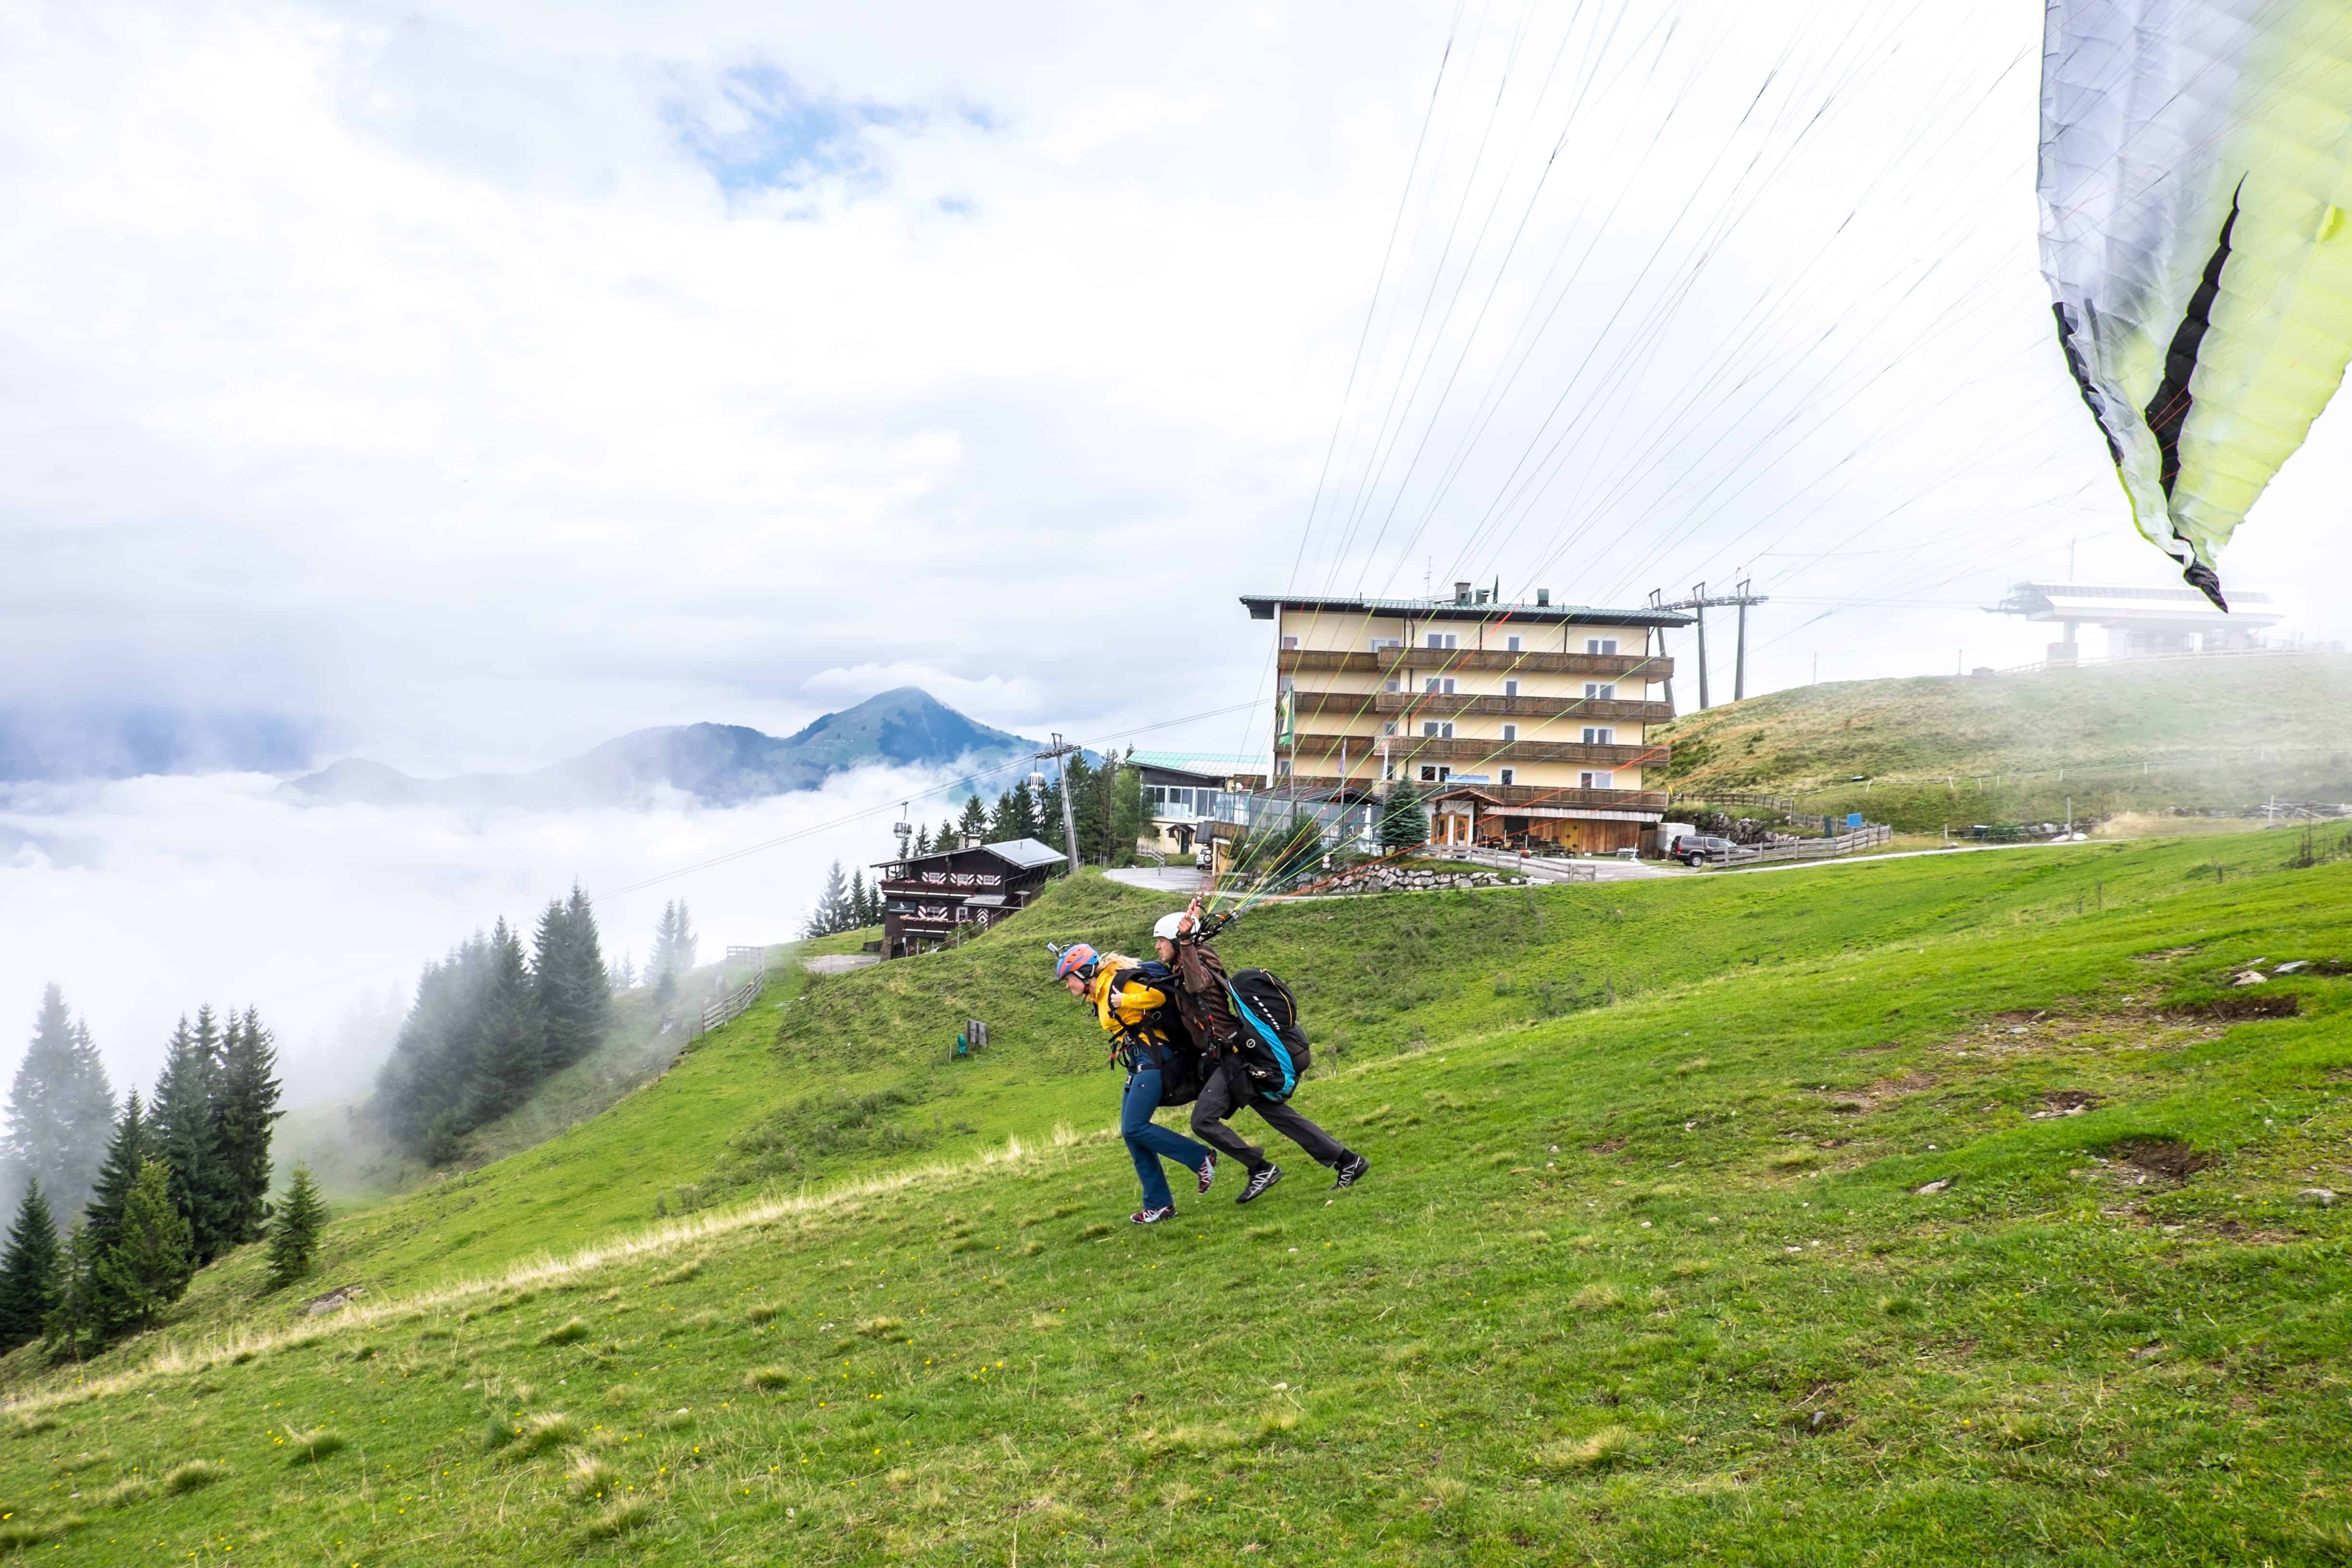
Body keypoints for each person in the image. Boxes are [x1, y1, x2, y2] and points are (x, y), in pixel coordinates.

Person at [1156, 902, 1369, 1203]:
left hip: (1234, 1055)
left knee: (1203, 1120)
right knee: (1278, 1114)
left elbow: (1197, 984)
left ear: (1176, 942)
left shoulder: (1199, 958)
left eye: (1162, 941)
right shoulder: (1184, 962)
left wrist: (1188, 940)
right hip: (1229, 1055)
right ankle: (1348, 1161)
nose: (1157, 947)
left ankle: (1260, 1168)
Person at [1055, 943, 1216, 1224]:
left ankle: (1199, 1158)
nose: (1067, 985)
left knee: (1135, 1127)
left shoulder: (1116, 982)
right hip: (1138, 1057)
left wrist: (1124, 1002)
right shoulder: (1100, 989)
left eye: (1069, 978)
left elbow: (1156, 997)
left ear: (1083, 973)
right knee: (1130, 1133)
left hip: (1155, 1056)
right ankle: (1159, 1204)